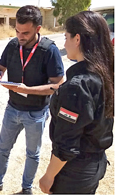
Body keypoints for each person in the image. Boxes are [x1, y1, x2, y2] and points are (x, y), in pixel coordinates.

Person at [0, 5, 64, 194]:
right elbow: (0, 68)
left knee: (32, 154)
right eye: (17, 31)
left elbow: (58, 85)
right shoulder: (12, 45)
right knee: (3, 149)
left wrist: (29, 90)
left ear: (38, 29)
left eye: (25, 33)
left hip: (36, 112)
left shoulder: (49, 50)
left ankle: (26, 188)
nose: (20, 36)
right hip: (13, 109)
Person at [39, 11, 114, 194]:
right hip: (95, 164)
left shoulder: (78, 85)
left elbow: (67, 144)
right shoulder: (104, 74)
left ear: (77, 39)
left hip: (75, 171)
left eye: (66, 37)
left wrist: (48, 176)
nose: (64, 43)